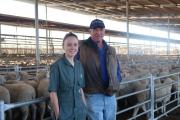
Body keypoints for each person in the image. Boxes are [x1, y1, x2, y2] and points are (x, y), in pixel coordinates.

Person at [78, 19, 122, 120]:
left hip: (110, 93)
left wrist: (117, 80)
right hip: (92, 94)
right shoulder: (82, 46)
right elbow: (71, 64)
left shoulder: (111, 50)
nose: (98, 32)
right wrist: (80, 90)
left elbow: (117, 68)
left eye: (101, 29)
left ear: (104, 31)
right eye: (95, 29)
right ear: (90, 31)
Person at [48, 32, 87, 120]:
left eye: (75, 45)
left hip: (80, 113)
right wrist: (58, 115)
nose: (72, 47)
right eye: (69, 45)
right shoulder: (56, 66)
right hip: (65, 115)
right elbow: (53, 93)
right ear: (63, 47)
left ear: (78, 47)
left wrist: (85, 106)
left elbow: (80, 89)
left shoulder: (79, 65)